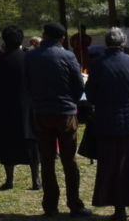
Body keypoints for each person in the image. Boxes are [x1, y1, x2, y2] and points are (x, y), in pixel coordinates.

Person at [83, 27, 129, 221]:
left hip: (108, 120)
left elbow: (91, 94)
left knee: (112, 165)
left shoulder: (99, 64)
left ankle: (119, 209)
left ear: (107, 43)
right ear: (123, 42)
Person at [27, 20, 89, 218]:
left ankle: (50, 204)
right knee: (69, 161)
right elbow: (79, 86)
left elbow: (27, 82)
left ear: (44, 35)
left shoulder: (32, 56)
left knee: (47, 161)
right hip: (65, 111)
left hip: (42, 112)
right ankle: (74, 203)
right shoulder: (68, 56)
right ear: (62, 38)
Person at [0, 24, 40, 190]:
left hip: (6, 105)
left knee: (8, 143)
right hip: (27, 105)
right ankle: (36, 180)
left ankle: (9, 180)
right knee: (32, 143)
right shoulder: (29, 58)